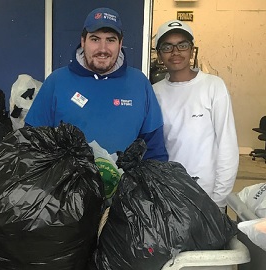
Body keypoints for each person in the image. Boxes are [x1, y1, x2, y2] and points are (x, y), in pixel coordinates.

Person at [25, 7, 168, 160]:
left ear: (120, 44)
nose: (103, 49)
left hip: (125, 183)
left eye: (110, 40)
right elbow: (32, 145)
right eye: (95, 39)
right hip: (68, 183)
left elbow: (154, 150)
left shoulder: (140, 84)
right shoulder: (56, 82)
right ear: (83, 41)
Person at [152, 20, 239, 211]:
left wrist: (219, 199)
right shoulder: (154, 92)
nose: (175, 52)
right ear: (159, 54)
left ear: (192, 50)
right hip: (169, 195)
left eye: (182, 45)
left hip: (208, 196)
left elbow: (227, 145)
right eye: (167, 47)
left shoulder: (213, 86)